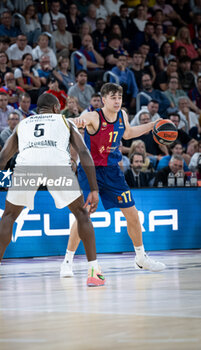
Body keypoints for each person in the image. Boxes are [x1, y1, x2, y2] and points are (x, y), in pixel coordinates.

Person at [0, 93, 105, 289]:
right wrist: (94, 188)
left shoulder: (23, 124)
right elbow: (84, 152)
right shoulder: (64, 121)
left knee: (8, 216)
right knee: (81, 213)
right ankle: (94, 272)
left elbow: (0, 160)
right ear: (57, 108)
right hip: (56, 164)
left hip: (27, 166)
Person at [60, 83, 165, 278]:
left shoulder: (122, 115)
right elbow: (74, 122)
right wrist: (73, 121)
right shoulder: (93, 117)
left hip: (113, 173)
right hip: (90, 171)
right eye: (113, 97)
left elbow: (128, 134)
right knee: (84, 215)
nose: (117, 101)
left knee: (133, 215)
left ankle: (141, 258)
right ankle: (67, 262)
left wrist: (152, 126)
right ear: (104, 100)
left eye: (120, 97)